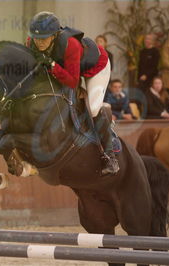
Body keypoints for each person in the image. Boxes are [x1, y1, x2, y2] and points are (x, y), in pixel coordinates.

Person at [26, 11, 118, 176]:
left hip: (96, 67)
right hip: (67, 68)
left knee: (94, 107)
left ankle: (109, 156)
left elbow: (73, 81)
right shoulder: (31, 42)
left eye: (44, 38)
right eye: (36, 38)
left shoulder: (70, 45)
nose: (38, 42)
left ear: (54, 36)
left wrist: (52, 65)